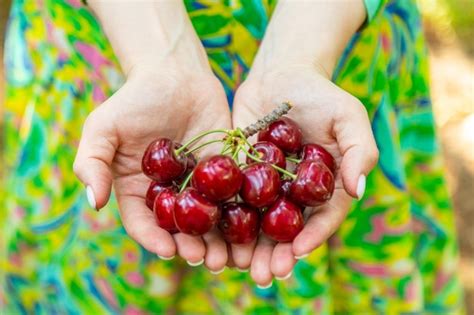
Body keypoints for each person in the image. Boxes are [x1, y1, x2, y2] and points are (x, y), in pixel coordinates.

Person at [2, 0, 464, 313]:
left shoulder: (291, 153)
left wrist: (302, 53)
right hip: (112, 50)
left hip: (338, 46)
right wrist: (157, 54)